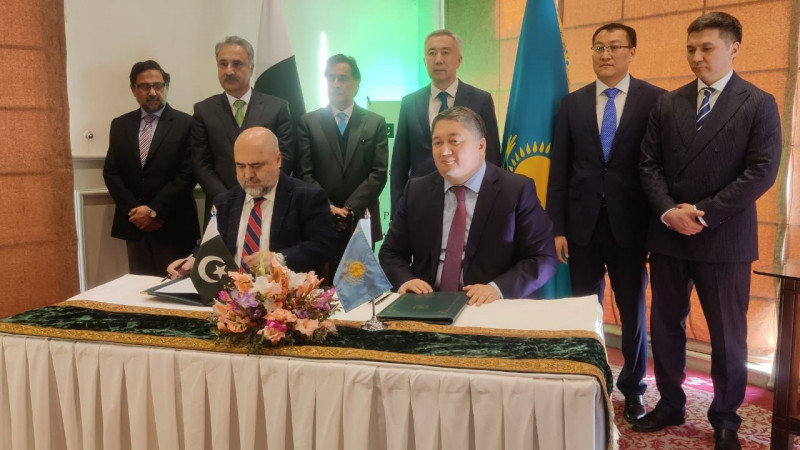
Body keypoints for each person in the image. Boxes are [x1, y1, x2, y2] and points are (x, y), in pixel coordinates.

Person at [635, 12, 781, 450]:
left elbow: (761, 171)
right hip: (668, 235)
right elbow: (648, 165)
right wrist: (668, 212)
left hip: (724, 237)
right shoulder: (668, 103)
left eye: (707, 48)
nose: (697, 57)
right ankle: (670, 404)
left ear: (734, 48)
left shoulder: (758, 102)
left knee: (728, 336)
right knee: (665, 327)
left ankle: (725, 418)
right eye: (691, 49)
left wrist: (702, 213)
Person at [546, 23, 666, 423]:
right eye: (598, 47)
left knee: (633, 311)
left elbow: (659, 168)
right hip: (581, 226)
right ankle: (588, 380)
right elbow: (559, 170)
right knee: (583, 309)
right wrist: (556, 228)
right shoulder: (572, 103)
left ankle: (633, 389)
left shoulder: (656, 100)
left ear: (632, 51)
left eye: (615, 46)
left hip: (631, 225)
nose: (606, 54)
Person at [379, 106, 556, 305]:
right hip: (426, 304)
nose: (444, 151)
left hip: (488, 305)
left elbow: (543, 257)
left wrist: (497, 289)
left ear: (481, 146)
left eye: (454, 141)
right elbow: (391, 252)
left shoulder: (516, 190)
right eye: (437, 143)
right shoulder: (416, 191)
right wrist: (406, 280)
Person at [169, 127, 335, 278]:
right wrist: (192, 260)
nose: (248, 175)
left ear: (278, 160)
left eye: (256, 165)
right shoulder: (225, 202)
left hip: (285, 293)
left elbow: (323, 246)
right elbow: (209, 244)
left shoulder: (307, 197)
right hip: (231, 293)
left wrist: (280, 258)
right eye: (240, 166)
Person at [389, 29, 501, 218]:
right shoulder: (410, 103)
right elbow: (399, 162)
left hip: (468, 200)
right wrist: (398, 212)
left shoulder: (480, 100)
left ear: (459, 59)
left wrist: (490, 206)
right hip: (421, 201)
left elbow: (491, 157)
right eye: (432, 53)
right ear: (424, 60)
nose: (438, 59)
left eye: (445, 52)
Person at [103, 60, 200, 276]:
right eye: (145, 86)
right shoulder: (120, 125)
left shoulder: (187, 124)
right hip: (135, 226)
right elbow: (111, 173)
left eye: (158, 85)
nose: (153, 92)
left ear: (166, 86)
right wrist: (138, 213)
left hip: (174, 224)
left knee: (175, 288)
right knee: (139, 288)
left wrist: (154, 211)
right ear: (133, 89)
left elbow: (188, 174)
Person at [296, 54, 388, 269]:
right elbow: (304, 173)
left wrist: (348, 208)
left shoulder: (375, 123)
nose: (336, 84)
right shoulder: (309, 122)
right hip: (320, 218)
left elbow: (379, 172)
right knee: (320, 283)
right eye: (331, 78)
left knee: (360, 283)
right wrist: (329, 207)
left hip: (362, 218)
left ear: (356, 83)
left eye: (343, 78)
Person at [192, 36, 294, 224]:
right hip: (221, 208)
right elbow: (201, 165)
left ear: (251, 68)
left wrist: (259, 193)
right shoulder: (203, 111)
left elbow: (285, 157)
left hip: (267, 204)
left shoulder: (276, 108)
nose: (229, 71)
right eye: (223, 64)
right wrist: (228, 200)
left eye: (237, 64)